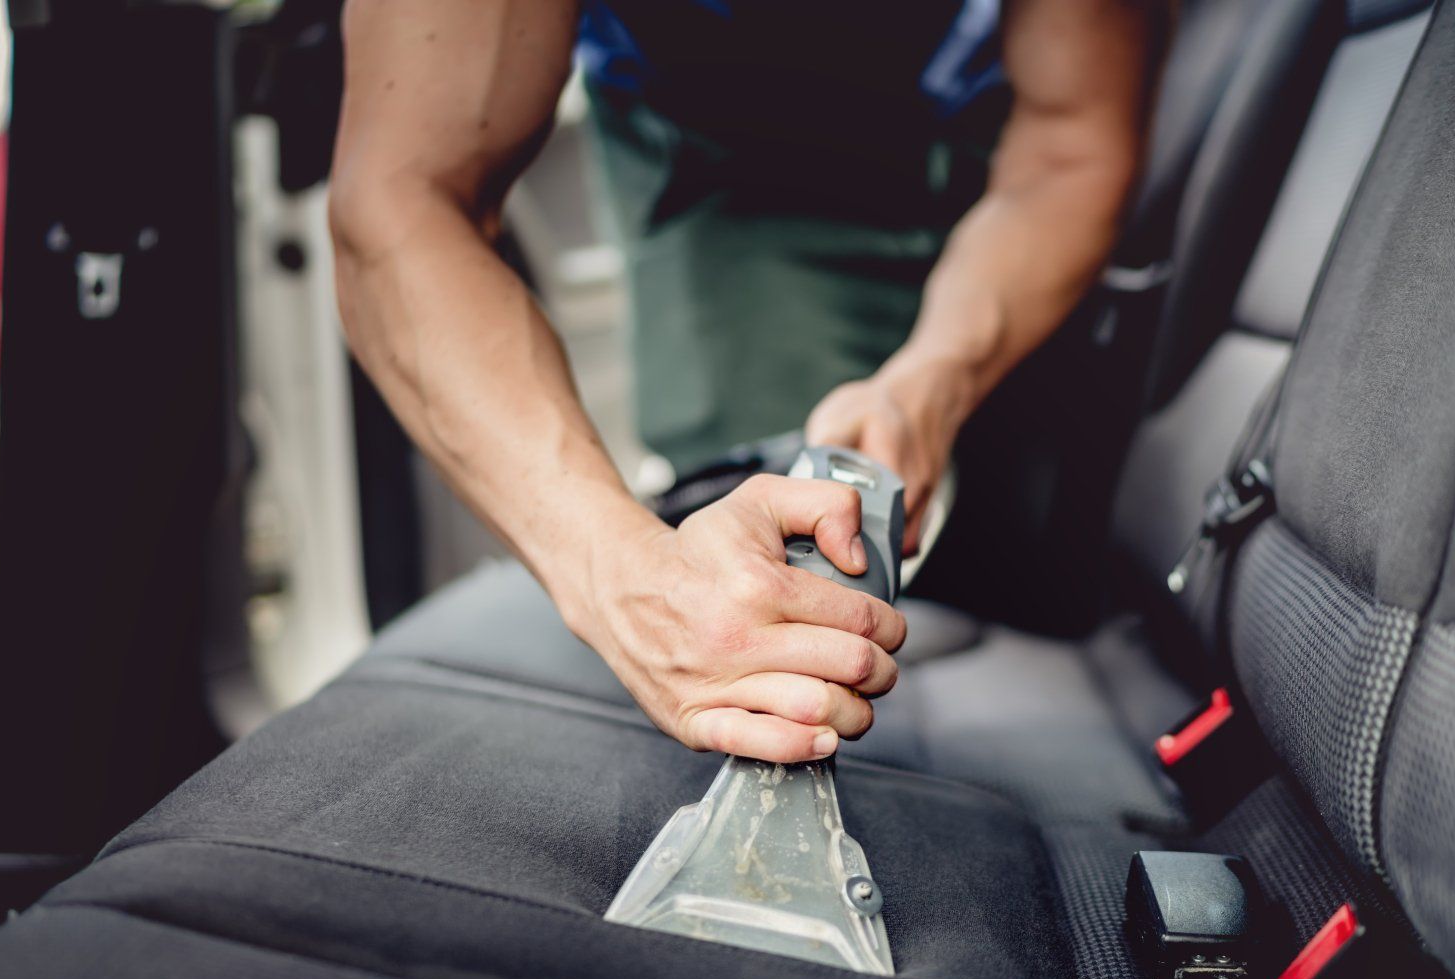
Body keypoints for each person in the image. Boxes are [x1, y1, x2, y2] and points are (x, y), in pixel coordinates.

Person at [329, 0, 1159, 764]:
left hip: (980, 125)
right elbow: (403, 200)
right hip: (718, 143)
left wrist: (925, 384)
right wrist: (624, 574)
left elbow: (1068, 144)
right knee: (763, 624)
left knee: (989, 537)